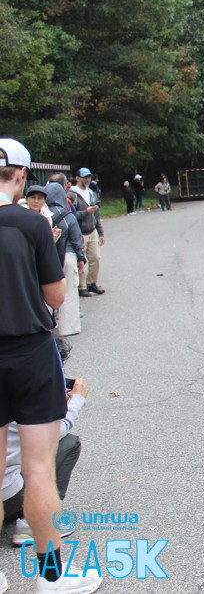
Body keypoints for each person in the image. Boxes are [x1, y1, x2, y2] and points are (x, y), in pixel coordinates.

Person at [0, 138, 103, 593]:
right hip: (28, 348)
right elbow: (56, 296)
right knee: (38, 468)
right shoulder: (31, 223)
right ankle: (51, 576)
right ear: (21, 175)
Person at [4, 342, 87, 550]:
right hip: (8, 496)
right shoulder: (28, 397)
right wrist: (76, 400)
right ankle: (31, 524)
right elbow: (53, 432)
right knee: (67, 444)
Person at [45, 184, 85, 338]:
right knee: (69, 291)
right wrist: (81, 259)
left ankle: (46, 326)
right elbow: (76, 240)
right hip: (68, 256)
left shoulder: (43, 215)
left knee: (46, 291)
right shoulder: (68, 216)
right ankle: (69, 327)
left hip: (48, 258)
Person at [70, 168, 105, 297]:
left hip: (92, 230)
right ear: (77, 178)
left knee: (96, 257)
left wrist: (101, 233)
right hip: (80, 232)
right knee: (81, 260)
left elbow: (97, 214)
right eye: (84, 177)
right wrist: (86, 212)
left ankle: (92, 283)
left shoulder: (91, 193)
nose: (87, 179)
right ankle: (81, 286)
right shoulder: (72, 194)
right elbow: (71, 215)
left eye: (89, 177)